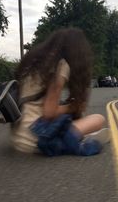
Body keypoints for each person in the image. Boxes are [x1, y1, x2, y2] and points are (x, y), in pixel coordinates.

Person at [11, 27, 109, 156]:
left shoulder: (34, 62)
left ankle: (76, 136)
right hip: (37, 138)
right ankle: (73, 139)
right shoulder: (61, 66)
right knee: (98, 119)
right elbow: (49, 113)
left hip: (18, 137)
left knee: (76, 120)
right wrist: (74, 107)